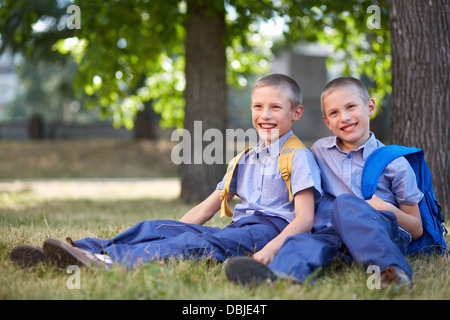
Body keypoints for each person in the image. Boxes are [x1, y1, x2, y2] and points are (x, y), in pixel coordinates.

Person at [10, 73, 322, 270]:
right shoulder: (245, 158)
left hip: (266, 232)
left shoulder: (298, 157)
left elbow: (305, 219)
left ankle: (105, 261)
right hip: (240, 229)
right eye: (258, 107)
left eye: (275, 108)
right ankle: (78, 250)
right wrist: (175, 227)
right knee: (156, 226)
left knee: (191, 246)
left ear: (296, 113)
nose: (264, 115)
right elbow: (207, 207)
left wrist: (269, 250)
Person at [225, 77, 423, 288]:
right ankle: (278, 277)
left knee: (345, 204)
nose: (344, 118)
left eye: (351, 107)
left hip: (378, 230)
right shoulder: (320, 151)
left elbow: (416, 228)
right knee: (303, 242)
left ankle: (392, 273)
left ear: (370, 107)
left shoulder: (395, 163)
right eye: (334, 113)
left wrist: (386, 208)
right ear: (327, 122)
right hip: (332, 234)